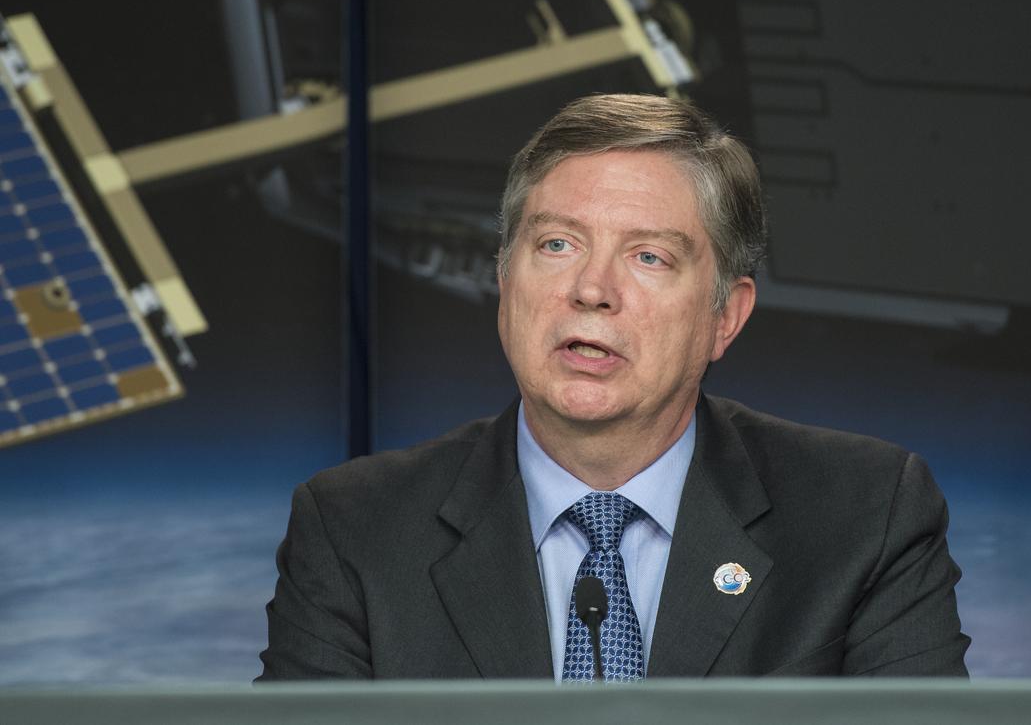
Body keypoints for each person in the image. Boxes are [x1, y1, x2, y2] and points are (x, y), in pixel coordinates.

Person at [259, 93, 969, 680]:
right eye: (557, 245)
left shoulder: (866, 517)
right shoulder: (354, 530)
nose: (592, 290)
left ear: (726, 315)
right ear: (506, 283)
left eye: (649, 256)